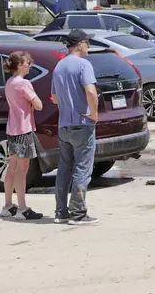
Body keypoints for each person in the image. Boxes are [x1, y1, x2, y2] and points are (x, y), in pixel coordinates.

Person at [51, 29, 99, 225]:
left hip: (64, 126)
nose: (89, 46)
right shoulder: (83, 65)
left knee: (64, 169)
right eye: (87, 43)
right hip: (82, 124)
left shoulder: (59, 66)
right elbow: (91, 91)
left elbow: (54, 98)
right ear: (79, 44)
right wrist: (94, 114)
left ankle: (61, 212)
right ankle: (78, 214)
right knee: (82, 169)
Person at [1, 51, 44, 220]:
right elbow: (39, 105)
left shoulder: (10, 82)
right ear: (20, 65)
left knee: (12, 167)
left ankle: (8, 205)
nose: (29, 65)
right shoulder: (24, 83)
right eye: (27, 63)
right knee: (22, 169)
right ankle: (22, 208)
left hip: (12, 128)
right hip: (23, 129)